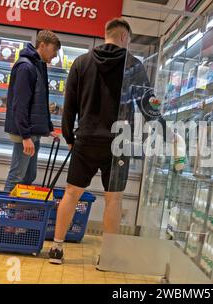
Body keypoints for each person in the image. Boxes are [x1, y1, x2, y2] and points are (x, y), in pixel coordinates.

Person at [48, 18, 167, 265]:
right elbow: (148, 104)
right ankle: (108, 256)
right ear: (124, 38)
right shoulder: (134, 65)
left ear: (107, 34)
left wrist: (70, 136)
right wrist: (164, 129)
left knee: (71, 193)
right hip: (118, 142)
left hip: (87, 139)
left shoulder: (81, 62)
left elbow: (69, 105)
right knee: (114, 199)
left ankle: (57, 249)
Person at [4, 30, 61, 192]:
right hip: (24, 133)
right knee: (17, 176)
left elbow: (39, 102)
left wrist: (48, 128)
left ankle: (20, 211)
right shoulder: (25, 67)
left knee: (29, 176)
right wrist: (26, 136)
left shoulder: (38, 66)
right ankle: (5, 214)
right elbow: (20, 104)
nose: (55, 56)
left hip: (31, 131)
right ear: (42, 45)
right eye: (54, 50)